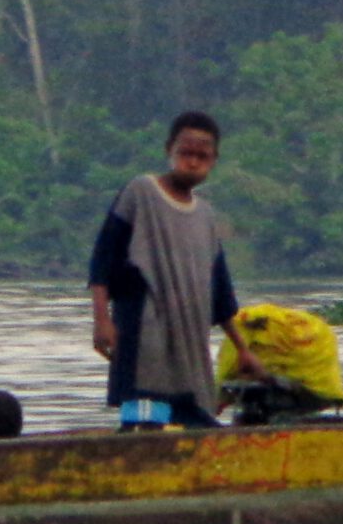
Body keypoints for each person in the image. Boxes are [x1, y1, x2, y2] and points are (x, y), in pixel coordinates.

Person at [87, 110, 270, 430]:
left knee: (194, 422)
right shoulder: (141, 192)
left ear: (213, 160)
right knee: (143, 424)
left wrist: (242, 350)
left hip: (190, 344)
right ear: (169, 150)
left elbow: (220, 292)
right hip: (144, 335)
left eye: (203, 155)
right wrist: (102, 320)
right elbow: (103, 258)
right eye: (186, 153)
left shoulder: (206, 217)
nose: (193, 162)